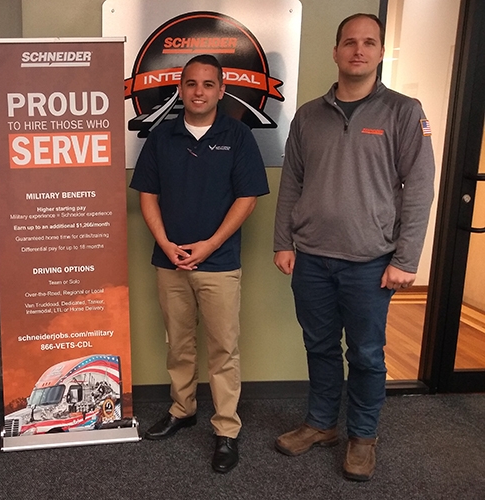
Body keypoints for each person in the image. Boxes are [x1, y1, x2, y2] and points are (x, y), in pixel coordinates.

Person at [273, 13, 435, 481]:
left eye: (368, 43)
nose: (358, 50)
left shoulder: (404, 112)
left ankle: (363, 436)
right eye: (349, 42)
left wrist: (406, 259)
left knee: (366, 354)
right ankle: (322, 424)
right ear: (336, 51)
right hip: (312, 258)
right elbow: (292, 185)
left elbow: (420, 188)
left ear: (380, 52)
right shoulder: (308, 115)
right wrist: (284, 242)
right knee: (319, 345)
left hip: (370, 262)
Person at [130, 54, 269, 473]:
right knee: (179, 342)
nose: (198, 91)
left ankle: (226, 428)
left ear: (221, 90)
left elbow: (248, 198)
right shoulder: (161, 137)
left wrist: (209, 245)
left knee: (223, 349)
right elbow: (147, 195)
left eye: (208, 84)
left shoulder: (239, 136)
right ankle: (182, 409)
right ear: (181, 89)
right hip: (169, 261)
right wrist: (166, 244)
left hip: (219, 262)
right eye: (191, 83)